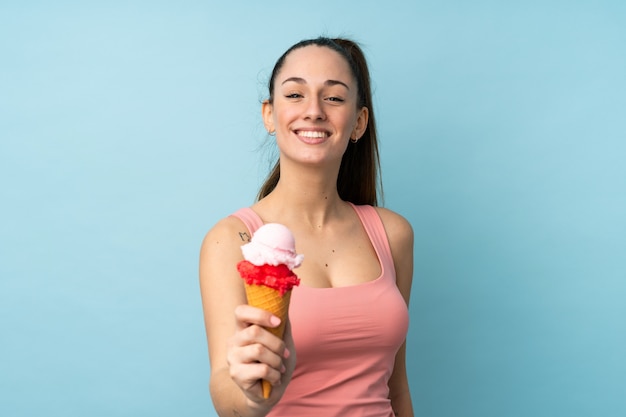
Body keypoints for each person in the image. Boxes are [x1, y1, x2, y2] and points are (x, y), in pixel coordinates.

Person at [199, 36, 414, 417]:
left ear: (358, 122)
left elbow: (396, 386)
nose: (313, 111)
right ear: (269, 115)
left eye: (333, 98)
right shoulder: (231, 240)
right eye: (295, 95)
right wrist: (254, 398)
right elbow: (224, 389)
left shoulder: (392, 234)